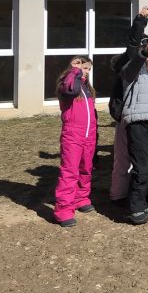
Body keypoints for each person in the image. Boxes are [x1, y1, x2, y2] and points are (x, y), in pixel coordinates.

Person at [119, 41, 148, 225]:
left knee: (147, 166)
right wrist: (145, 51)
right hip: (137, 124)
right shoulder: (134, 72)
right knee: (141, 167)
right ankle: (135, 209)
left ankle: (142, 203)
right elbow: (136, 61)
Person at [53, 56, 97, 227]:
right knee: (69, 171)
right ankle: (63, 210)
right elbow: (70, 89)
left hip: (89, 134)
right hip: (73, 134)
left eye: (87, 69)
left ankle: (81, 198)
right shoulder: (68, 83)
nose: (85, 71)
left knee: (86, 168)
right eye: (83, 67)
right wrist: (75, 71)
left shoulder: (86, 88)